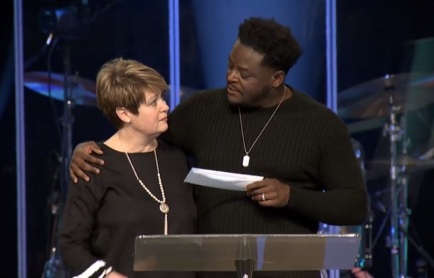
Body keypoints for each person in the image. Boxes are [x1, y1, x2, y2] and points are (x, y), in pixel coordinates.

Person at [69, 17, 368, 278]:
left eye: (245, 74)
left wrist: (292, 196)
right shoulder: (201, 109)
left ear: (276, 78)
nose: (231, 77)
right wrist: (90, 148)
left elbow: (354, 206)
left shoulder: (320, 125)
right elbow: (142, 136)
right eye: (230, 65)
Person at [59, 58, 197, 278]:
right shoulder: (94, 164)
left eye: (162, 97)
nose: (165, 106)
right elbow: (70, 245)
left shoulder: (176, 157)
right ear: (124, 114)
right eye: (153, 102)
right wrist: (108, 275)